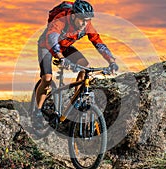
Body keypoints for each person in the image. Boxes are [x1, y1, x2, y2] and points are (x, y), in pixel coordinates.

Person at [33, 0, 118, 129]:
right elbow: (51, 39)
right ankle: (37, 112)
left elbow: (98, 42)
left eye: (88, 20)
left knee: (85, 67)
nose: (85, 24)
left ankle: (76, 101)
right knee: (47, 78)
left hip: (65, 47)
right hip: (47, 46)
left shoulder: (87, 25)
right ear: (73, 16)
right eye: (82, 20)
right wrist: (61, 58)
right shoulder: (61, 19)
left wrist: (111, 61)